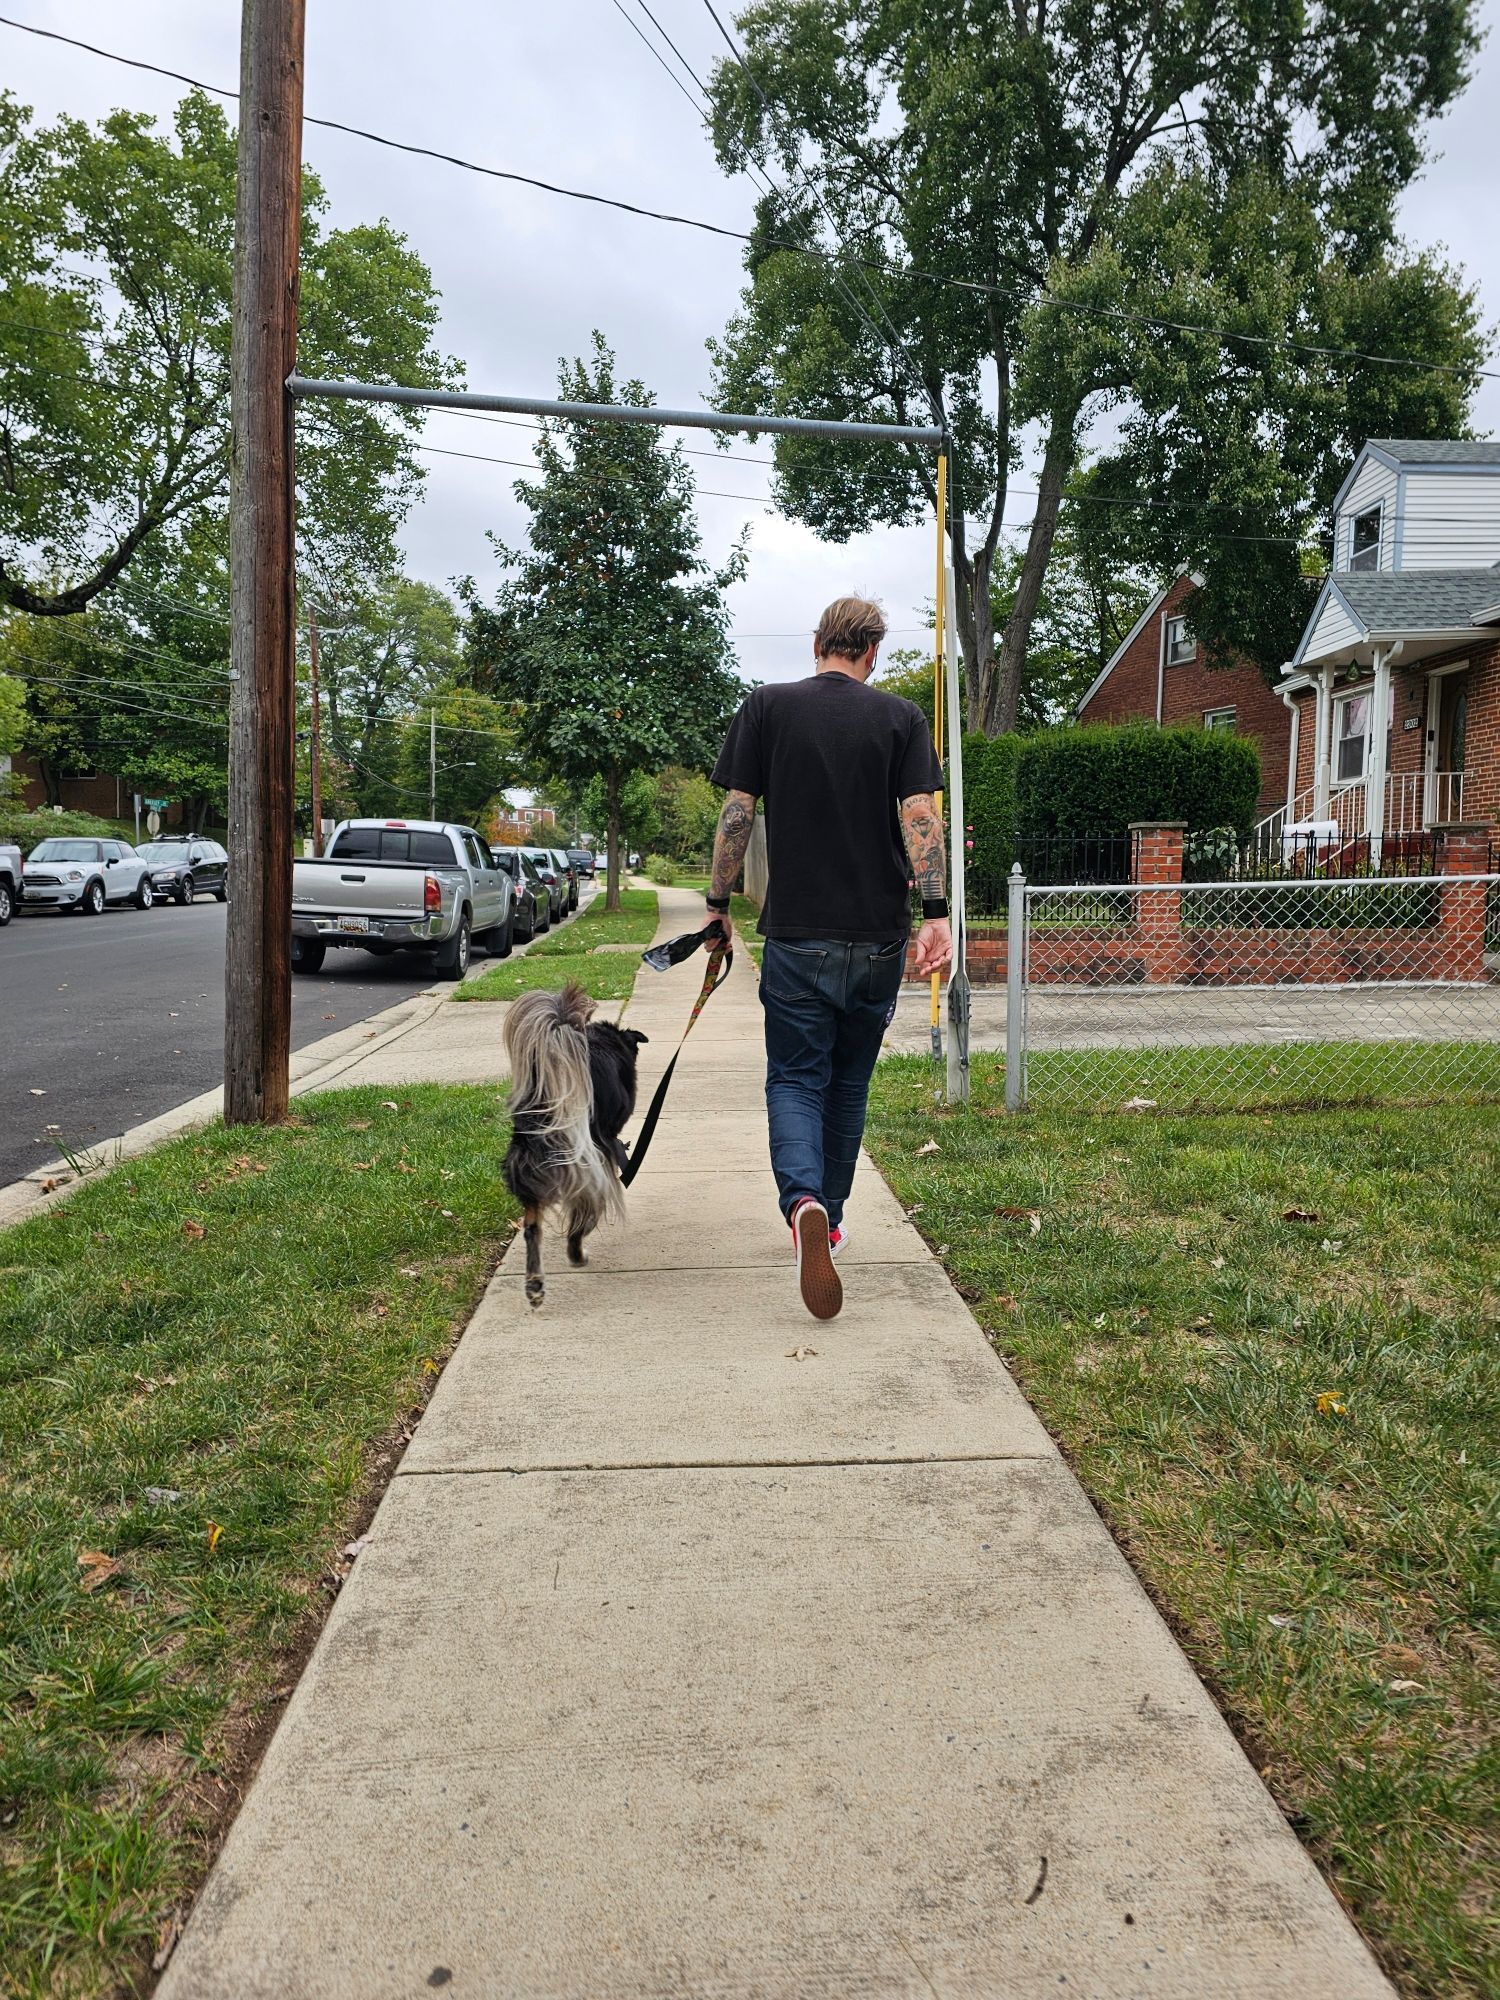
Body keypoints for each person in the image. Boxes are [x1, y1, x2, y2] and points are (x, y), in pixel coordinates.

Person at [707, 594, 951, 1320]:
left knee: (794, 1080)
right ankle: (831, 1217)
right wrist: (935, 914)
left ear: (818, 643)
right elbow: (922, 820)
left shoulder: (767, 706)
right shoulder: (901, 718)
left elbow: (737, 814)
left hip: (797, 937)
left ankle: (803, 1201)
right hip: (878, 935)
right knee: (848, 1085)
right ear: (872, 654)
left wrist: (717, 904)